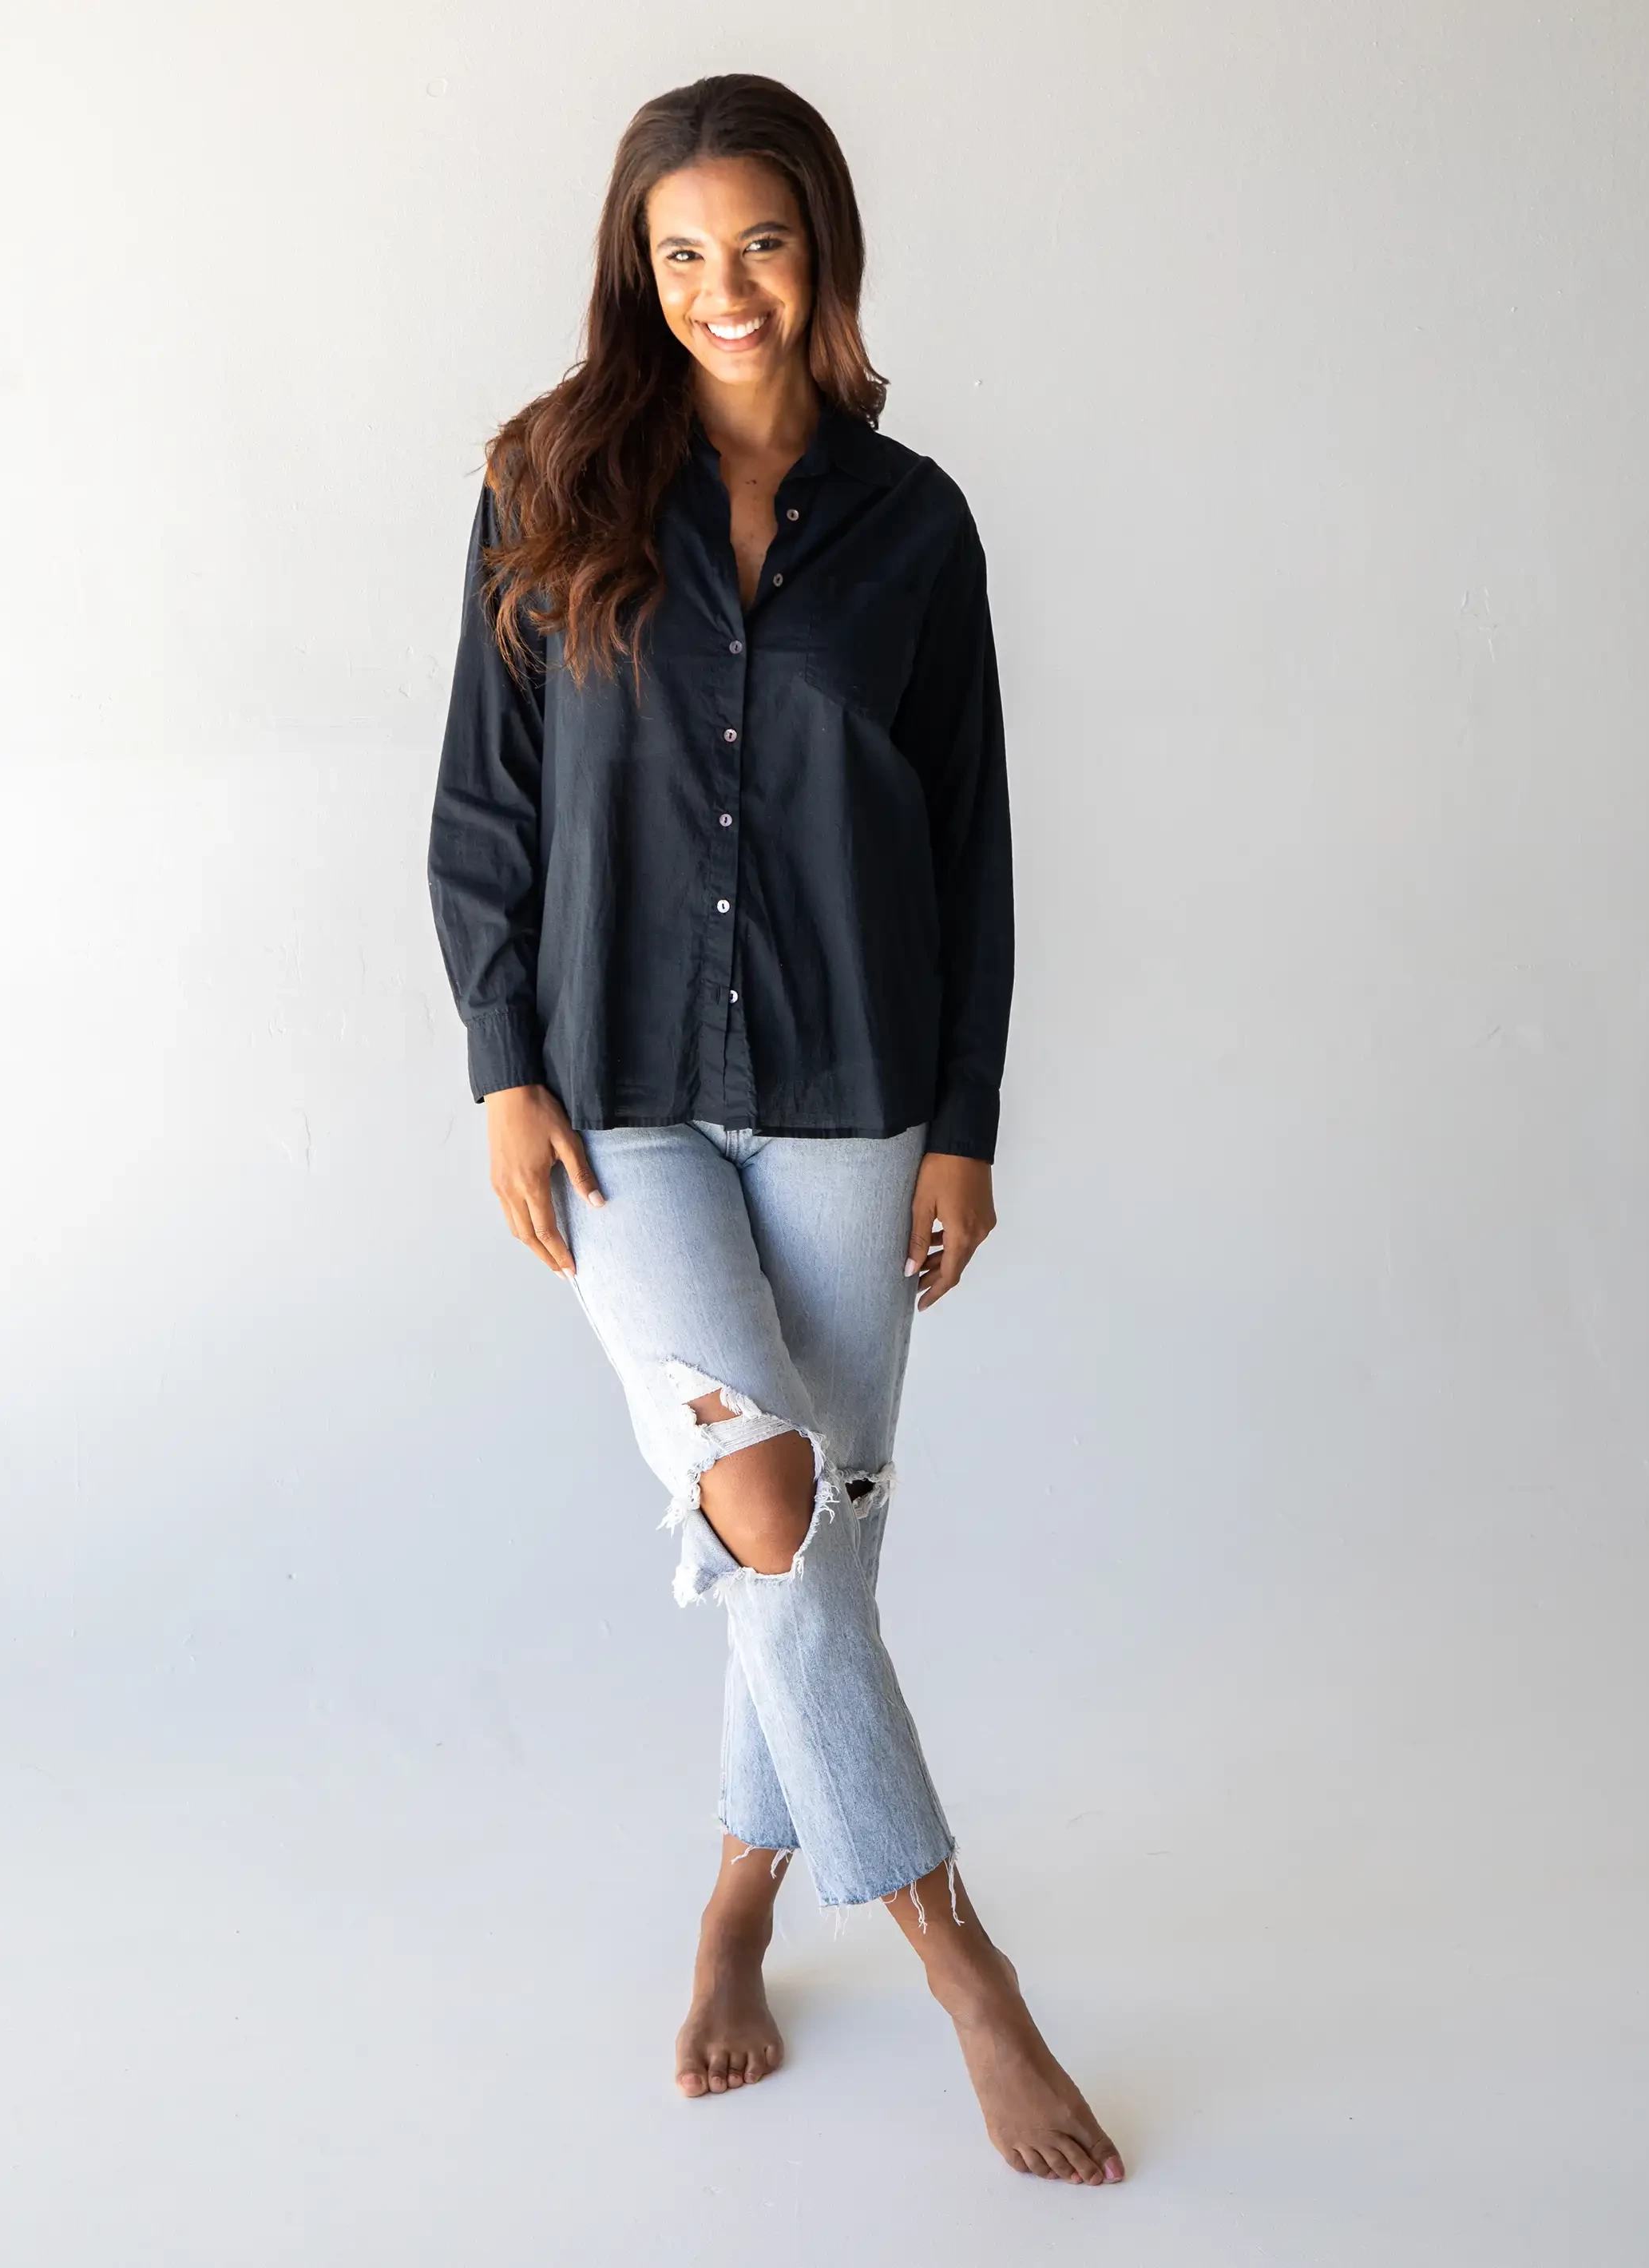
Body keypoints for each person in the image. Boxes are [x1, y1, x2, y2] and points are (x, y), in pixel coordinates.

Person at [427, 71, 1123, 2188]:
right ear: (633, 268)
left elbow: (976, 844)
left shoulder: (914, 525)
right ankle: (963, 1962)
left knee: (823, 1536)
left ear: (822, 254)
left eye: (761, 242)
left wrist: (962, 1128)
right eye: (681, 250)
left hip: (852, 1094)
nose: (722, 286)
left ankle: (738, 1897)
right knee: (766, 1494)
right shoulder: (546, 485)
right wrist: (501, 1069)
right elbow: (485, 810)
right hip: (618, 1099)